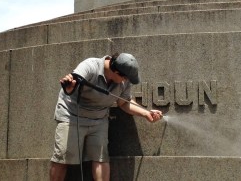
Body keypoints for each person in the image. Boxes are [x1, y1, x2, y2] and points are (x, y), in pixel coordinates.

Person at [50, 52, 163, 181]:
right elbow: (74, 82)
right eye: (125, 78)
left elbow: (124, 102)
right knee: (63, 158)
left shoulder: (123, 81)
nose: (126, 81)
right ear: (116, 72)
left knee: (101, 158)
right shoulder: (90, 66)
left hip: (99, 119)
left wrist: (146, 113)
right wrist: (70, 87)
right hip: (72, 115)